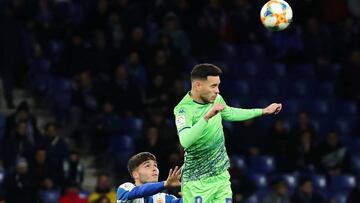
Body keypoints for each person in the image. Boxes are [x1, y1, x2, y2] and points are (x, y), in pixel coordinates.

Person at [173, 64, 282, 202]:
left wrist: (262, 111)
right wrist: (206, 117)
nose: (217, 91)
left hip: (221, 176)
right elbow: (185, 140)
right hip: (196, 181)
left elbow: (230, 112)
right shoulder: (184, 109)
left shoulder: (216, 99)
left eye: (218, 85)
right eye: (213, 86)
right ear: (198, 85)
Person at [116, 152, 182, 202]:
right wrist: (164, 183)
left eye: (155, 165)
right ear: (135, 174)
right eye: (147, 166)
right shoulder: (124, 189)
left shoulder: (164, 198)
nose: (154, 169)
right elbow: (139, 191)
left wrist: (189, 197)